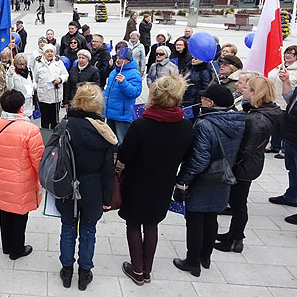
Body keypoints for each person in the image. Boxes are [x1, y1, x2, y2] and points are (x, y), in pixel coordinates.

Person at [118, 75, 193, 285]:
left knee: (133, 224)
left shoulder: (141, 125)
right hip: (163, 182)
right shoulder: (186, 126)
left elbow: (124, 156)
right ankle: (146, 270)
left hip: (137, 181)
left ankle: (137, 269)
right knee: (151, 225)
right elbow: (186, 154)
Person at [173, 84, 245, 277]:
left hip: (203, 178)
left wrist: (183, 180)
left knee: (195, 219)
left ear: (210, 103)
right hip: (223, 175)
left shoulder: (205, 124)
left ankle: (192, 262)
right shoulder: (238, 121)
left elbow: (199, 160)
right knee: (211, 217)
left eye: (204, 99)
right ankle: (206, 257)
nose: (201, 101)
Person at [56, 83, 116, 290]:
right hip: (94, 185)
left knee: (68, 227)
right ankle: (84, 272)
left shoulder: (66, 125)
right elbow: (109, 169)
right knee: (89, 229)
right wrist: (108, 197)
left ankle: (66, 270)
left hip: (67, 182)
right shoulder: (104, 131)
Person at [215, 77, 281, 253]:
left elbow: (245, 149)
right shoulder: (260, 112)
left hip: (244, 167)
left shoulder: (257, 119)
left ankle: (236, 239)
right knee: (238, 202)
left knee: (238, 203)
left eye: (247, 88)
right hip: (249, 164)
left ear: (255, 93)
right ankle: (233, 233)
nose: (243, 90)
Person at [0, 90, 45, 260]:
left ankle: (6, 245)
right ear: (21, 107)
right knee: (20, 214)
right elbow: (38, 160)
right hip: (21, 179)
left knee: (4, 211)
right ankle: (17, 249)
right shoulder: (30, 129)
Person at [269, 67, 297, 224]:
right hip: (291, 138)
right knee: (292, 170)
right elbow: (289, 97)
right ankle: (292, 196)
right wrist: (285, 81)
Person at [103, 48, 142, 145]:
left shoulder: (135, 73)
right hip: (110, 112)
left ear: (128, 60)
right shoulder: (113, 72)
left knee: (123, 142)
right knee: (110, 140)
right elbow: (108, 90)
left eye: (121, 58)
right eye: (117, 57)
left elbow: (135, 93)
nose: (118, 60)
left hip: (122, 114)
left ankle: (123, 159)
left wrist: (124, 83)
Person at [267, 46, 297, 159]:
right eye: (286, 53)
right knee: (275, 126)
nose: (287, 55)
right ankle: (274, 145)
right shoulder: (278, 66)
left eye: (291, 53)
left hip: (286, 101)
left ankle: (284, 149)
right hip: (274, 100)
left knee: (285, 127)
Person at [33, 44, 69, 129]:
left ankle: (54, 137)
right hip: (43, 95)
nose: (49, 53)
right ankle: (45, 136)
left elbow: (65, 74)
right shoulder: (38, 64)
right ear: (44, 53)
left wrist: (60, 79)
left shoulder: (59, 63)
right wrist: (36, 88)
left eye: (51, 51)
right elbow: (35, 78)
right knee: (45, 119)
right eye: (47, 52)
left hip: (55, 96)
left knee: (55, 120)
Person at [6, 53, 35, 117]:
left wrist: (33, 86)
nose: (22, 66)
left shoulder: (29, 71)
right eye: (20, 64)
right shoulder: (12, 72)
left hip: (28, 101)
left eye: (23, 64)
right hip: (18, 101)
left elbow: (34, 81)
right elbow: (10, 87)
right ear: (15, 64)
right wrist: (10, 76)